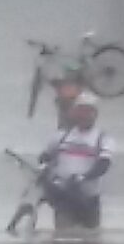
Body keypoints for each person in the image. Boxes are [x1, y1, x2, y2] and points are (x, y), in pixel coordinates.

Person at [39, 95, 114, 231]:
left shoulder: (103, 138)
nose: (83, 116)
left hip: (88, 198)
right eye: (80, 111)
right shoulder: (61, 136)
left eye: (88, 112)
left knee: (90, 240)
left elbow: (104, 164)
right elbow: (45, 156)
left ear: (95, 114)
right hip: (63, 196)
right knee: (64, 236)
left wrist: (84, 177)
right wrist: (44, 169)